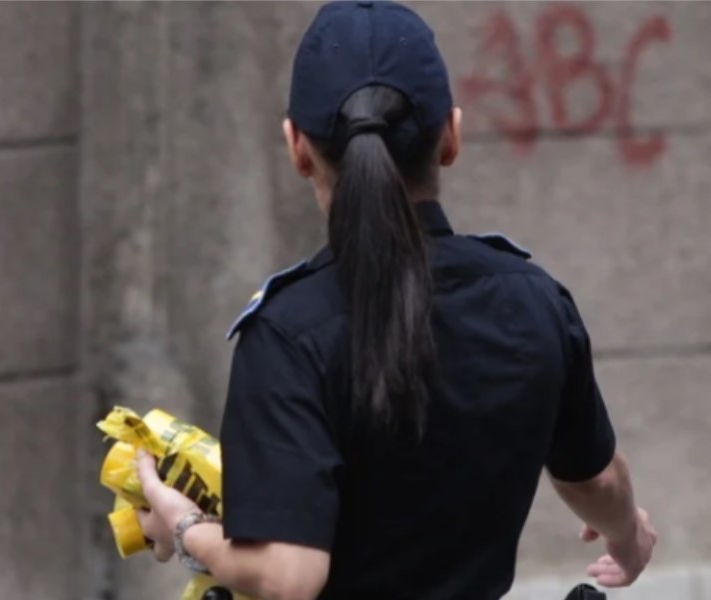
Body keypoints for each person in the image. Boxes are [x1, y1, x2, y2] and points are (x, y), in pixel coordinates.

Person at [133, 2, 657, 599]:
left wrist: (185, 524)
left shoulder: (287, 334)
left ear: (297, 147)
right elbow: (596, 477)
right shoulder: (532, 301)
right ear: (452, 136)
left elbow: (288, 575)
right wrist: (628, 538)